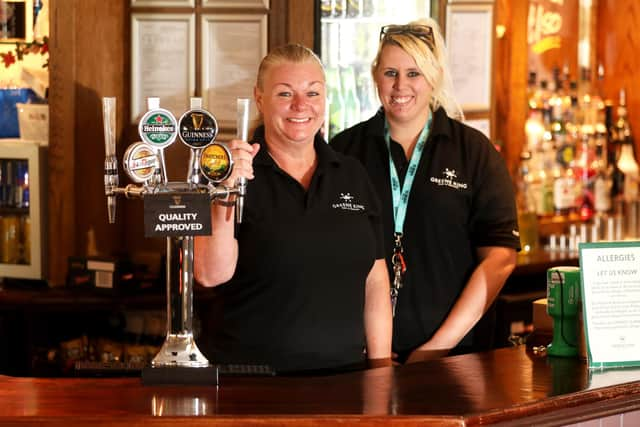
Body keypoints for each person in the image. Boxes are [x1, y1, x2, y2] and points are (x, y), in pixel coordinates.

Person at [331, 18, 520, 364]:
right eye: (390, 73)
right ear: (375, 75)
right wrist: (373, 351)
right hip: (357, 358)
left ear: (433, 78)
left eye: (413, 73)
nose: (401, 85)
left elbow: (500, 259)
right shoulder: (344, 151)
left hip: (456, 359)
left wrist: (435, 349)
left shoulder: (473, 152)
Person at [194, 44, 392, 373]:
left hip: (345, 382)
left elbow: (375, 279)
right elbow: (210, 274)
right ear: (259, 98)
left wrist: (382, 369)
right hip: (253, 383)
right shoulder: (228, 175)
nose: (301, 105)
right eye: (285, 94)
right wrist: (225, 192)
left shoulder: (352, 174)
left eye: (312, 93)